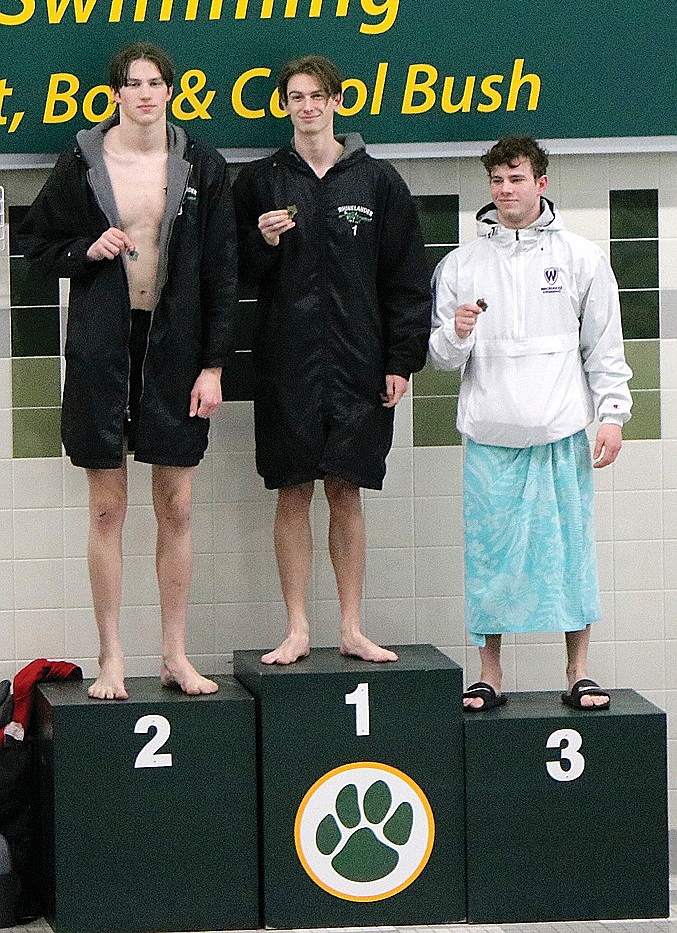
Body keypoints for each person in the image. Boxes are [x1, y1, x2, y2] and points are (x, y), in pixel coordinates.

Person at [21, 42, 238, 699]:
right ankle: (111, 656)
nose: (145, 93)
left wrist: (214, 367)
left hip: (175, 351)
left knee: (176, 506)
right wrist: (87, 249)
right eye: (133, 84)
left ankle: (174, 653)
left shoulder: (201, 164)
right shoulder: (85, 162)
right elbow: (35, 245)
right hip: (102, 347)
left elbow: (222, 272)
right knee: (108, 509)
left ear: (171, 91)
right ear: (116, 94)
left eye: (156, 83)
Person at [233, 54, 431, 665]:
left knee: (347, 491)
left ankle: (350, 627)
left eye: (317, 95)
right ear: (284, 106)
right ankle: (297, 629)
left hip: (359, 364)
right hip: (286, 361)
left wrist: (401, 360)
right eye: (295, 97)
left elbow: (406, 279)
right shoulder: (262, 181)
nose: (308, 106)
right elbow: (233, 270)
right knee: (291, 491)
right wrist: (261, 244)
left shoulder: (378, 182)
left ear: (339, 102)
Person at [429, 136, 632, 712]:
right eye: (497, 181)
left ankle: (579, 672)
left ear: (541, 183)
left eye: (516, 179)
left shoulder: (580, 257)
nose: (505, 190)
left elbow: (603, 347)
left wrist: (612, 416)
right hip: (491, 438)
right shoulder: (461, 265)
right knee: (490, 558)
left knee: (570, 553)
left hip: (562, 432)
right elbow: (441, 358)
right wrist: (458, 333)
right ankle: (490, 674)